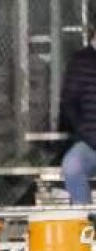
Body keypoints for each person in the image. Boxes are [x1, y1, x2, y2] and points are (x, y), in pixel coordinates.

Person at [60, 28, 96, 204]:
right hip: (91, 141)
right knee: (72, 166)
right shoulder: (80, 61)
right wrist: (90, 136)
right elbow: (69, 105)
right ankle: (86, 221)